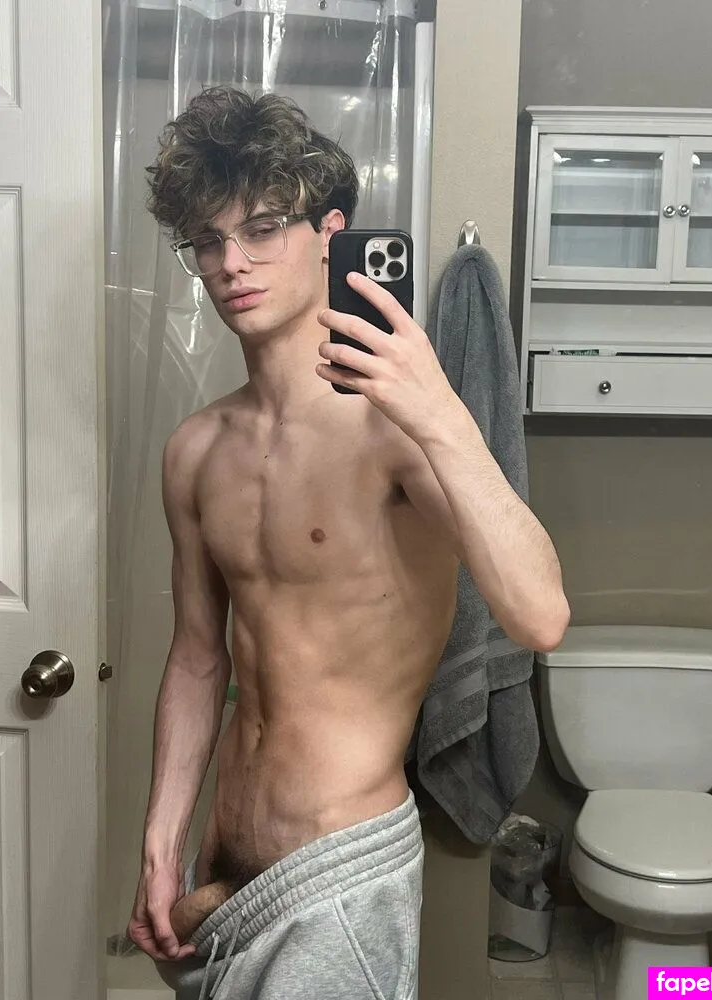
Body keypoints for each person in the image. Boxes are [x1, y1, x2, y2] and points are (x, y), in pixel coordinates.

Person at [127, 85, 569, 999]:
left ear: (331, 233)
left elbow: (540, 616)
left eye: (262, 229)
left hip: (340, 872)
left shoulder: (398, 432)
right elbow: (199, 658)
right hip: (221, 876)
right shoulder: (196, 450)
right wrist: (162, 845)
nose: (231, 263)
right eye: (207, 241)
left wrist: (438, 411)